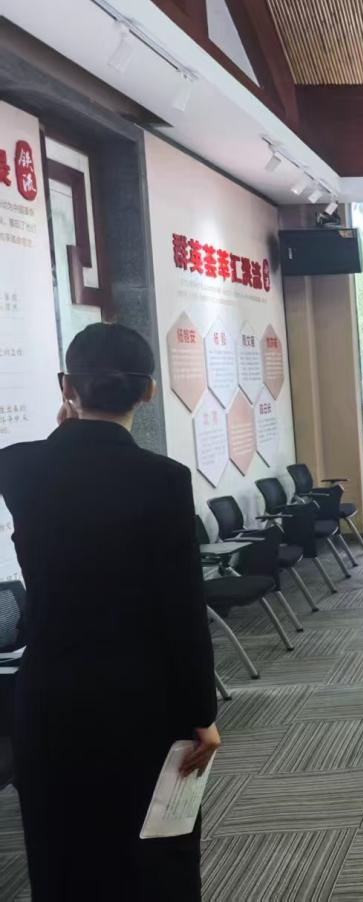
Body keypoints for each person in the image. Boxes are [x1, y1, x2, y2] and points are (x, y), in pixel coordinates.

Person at [0, 323, 218, 899]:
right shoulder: (164, 480)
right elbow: (181, 607)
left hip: (50, 699)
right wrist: (202, 713)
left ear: (66, 387)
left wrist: (67, 427)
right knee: (153, 854)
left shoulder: (16, 468)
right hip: (143, 700)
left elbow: (54, 467)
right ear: (149, 392)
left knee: (63, 854)